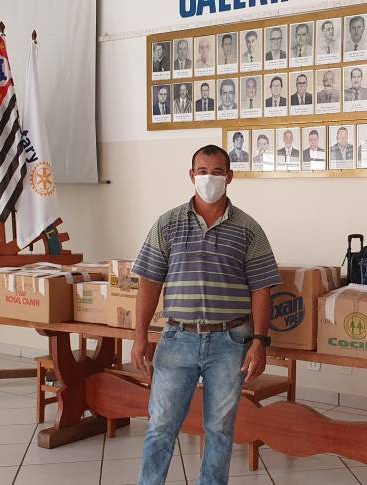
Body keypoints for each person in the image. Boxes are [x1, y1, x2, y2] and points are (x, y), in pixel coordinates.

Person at [132, 144, 281, 485]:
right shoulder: (167, 224)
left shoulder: (249, 229)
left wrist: (259, 342)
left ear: (230, 177)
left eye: (216, 172)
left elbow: (261, 289)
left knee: (220, 428)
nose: (209, 178)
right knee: (161, 425)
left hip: (230, 342)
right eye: (202, 171)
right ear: (191, 175)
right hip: (177, 339)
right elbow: (149, 281)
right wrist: (140, 336)